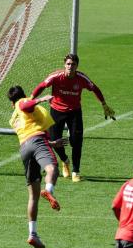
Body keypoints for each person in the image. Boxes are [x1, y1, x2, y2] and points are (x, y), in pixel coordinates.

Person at [31, 53, 115, 182]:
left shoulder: (81, 78)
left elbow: (95, 89)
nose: (70, 66)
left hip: (74, 112)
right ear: (64, 65)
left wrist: (104, 104)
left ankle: (76, 171)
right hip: (56, 111)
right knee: (54, 140)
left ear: (77, 66)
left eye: (73, 64)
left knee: (77, 141)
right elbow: (42, 86)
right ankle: (65, 160)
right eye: (68, 64)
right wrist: (31, 99)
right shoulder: (56, 76)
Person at [7, 85, 67, 248]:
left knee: (33, 196)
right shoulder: (23, 102)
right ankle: (49, 190)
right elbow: (26, 105)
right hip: (37, 141)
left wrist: (53, 143)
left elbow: (29, 132)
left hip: (24, 149)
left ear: (10, 104)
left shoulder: (14, 117)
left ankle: (32, 234)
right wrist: (40, 99)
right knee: (53, 168)